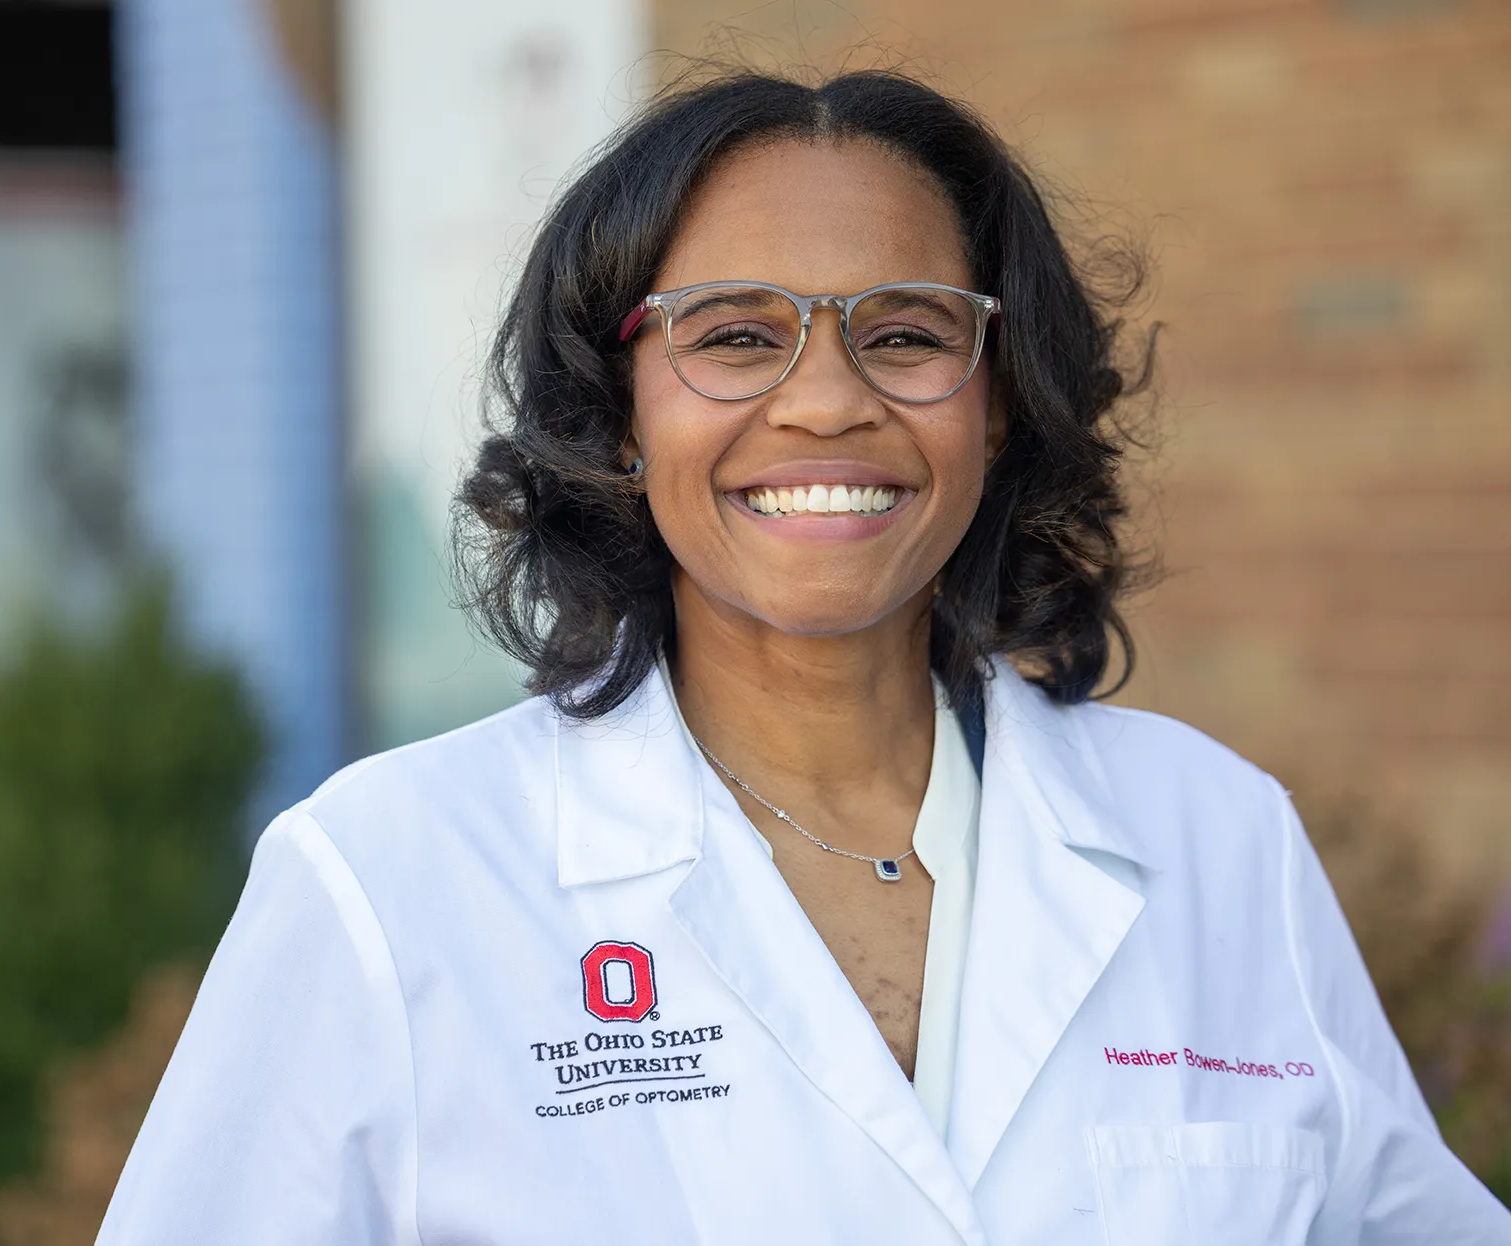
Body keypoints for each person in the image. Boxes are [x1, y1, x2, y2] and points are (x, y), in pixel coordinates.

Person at [97, 70, 1510, 1244]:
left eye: (906, 333)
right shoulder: (393, 880)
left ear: (1000, 408)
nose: (828, 402)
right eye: (734, 336)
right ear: (622, 410)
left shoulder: (1218, 845)